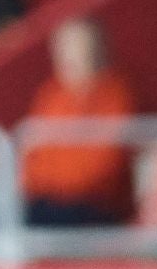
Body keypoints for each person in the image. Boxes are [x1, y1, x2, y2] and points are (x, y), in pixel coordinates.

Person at [21, 17, 136, 226]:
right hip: (43, 201)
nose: (68, 57)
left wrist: (51, 184)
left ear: (97, 50)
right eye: (63, 49)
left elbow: (101, 171)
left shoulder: (116, 97)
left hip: (94, 208)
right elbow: (31, 157)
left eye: (77, 49)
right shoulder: (51, 94)